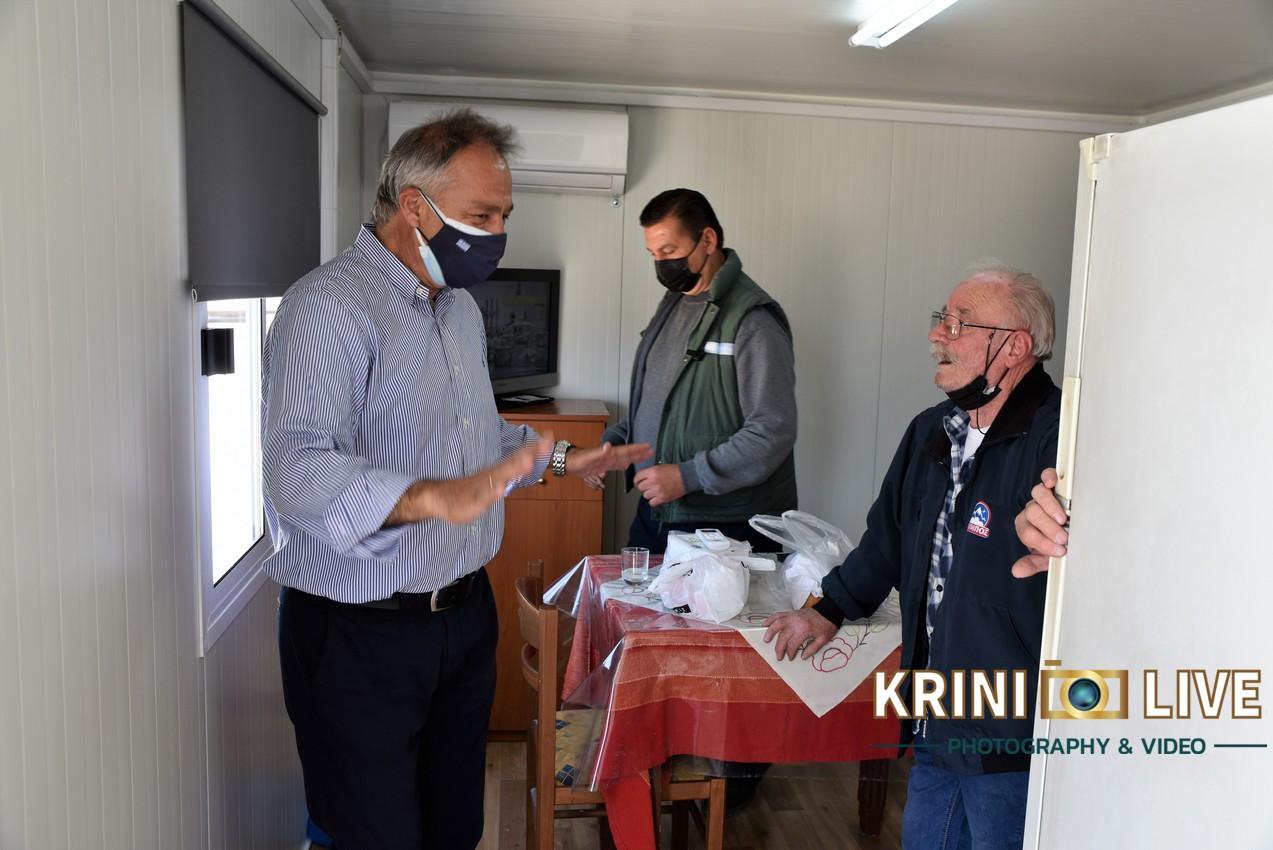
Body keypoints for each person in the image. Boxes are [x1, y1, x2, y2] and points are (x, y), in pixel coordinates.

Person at [262, 108, 649, 850]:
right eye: (483, 214)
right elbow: (298, 470)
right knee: (372, 836)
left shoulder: (461, 312)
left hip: (463, 622)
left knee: (454, 829)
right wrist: (433, 497)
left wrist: (563, 459)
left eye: (505, 215)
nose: (499, 232)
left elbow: (481, 439)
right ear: (415, 206)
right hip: (356, 631)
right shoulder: (329, 307)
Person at [763, 262, 1060, 849]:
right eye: (942, 319)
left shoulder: (1059, 437)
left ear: (1015, 346)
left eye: (960, 323)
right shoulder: (932, 430)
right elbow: (886, 541)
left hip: (1011, 732)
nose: (936, 335)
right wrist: (827, 609)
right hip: (934, 712)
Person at [594, 188, 798, 555]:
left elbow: (772, 430)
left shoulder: (753, 320)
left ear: (707, 240)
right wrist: (615, 444)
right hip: (660, 509)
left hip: (723, 525)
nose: (661, 264)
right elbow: (659, 402)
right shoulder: (674, 303)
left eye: (669, 251)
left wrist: (687, 476)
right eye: (653, 254)